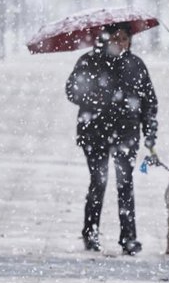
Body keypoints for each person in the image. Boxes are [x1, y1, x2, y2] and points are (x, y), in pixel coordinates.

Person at [65, 22, 158, 255]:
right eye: (116, 37)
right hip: (94, 131)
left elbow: (149, 101)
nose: (120, 42)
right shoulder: (89, 61)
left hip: (126, 133)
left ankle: (129, 238)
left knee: (125, 183)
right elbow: (71, 90)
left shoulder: (136, 65)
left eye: (125, 38)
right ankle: (91, 231)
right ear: (105, 38)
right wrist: (94, 97)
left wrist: (150, 134)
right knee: (99, 180)